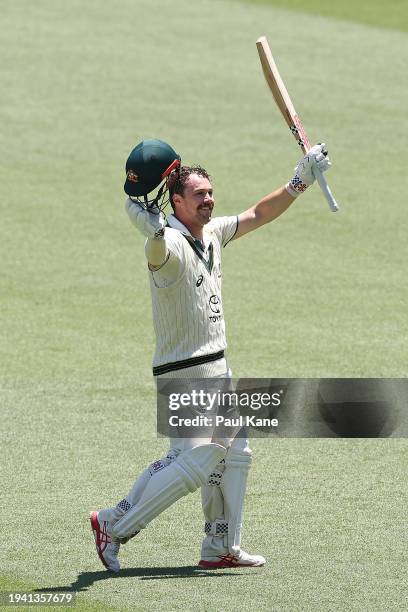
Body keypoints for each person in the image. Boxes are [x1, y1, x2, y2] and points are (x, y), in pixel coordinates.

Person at [90, 138, 331, 572]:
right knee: (199, 460)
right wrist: (147, 225)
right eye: (199, 194)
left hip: (217, 367)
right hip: (182, 372)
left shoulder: (214, 233)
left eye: (210, 193)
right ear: (176, 200)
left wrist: (301, 179)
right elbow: (152, 246)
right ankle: (115, 526)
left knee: (235, 452)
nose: (209, 200)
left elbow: (258, 213)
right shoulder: (166, 245)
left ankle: (219, 547)